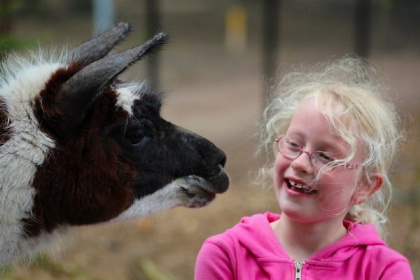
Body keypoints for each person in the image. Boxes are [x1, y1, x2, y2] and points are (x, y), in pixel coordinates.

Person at [194, 57, 414, 279]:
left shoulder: (385, 271)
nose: (300, 163)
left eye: (326, 156)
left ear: (365, 185)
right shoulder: (226, 256)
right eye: (293, 144)